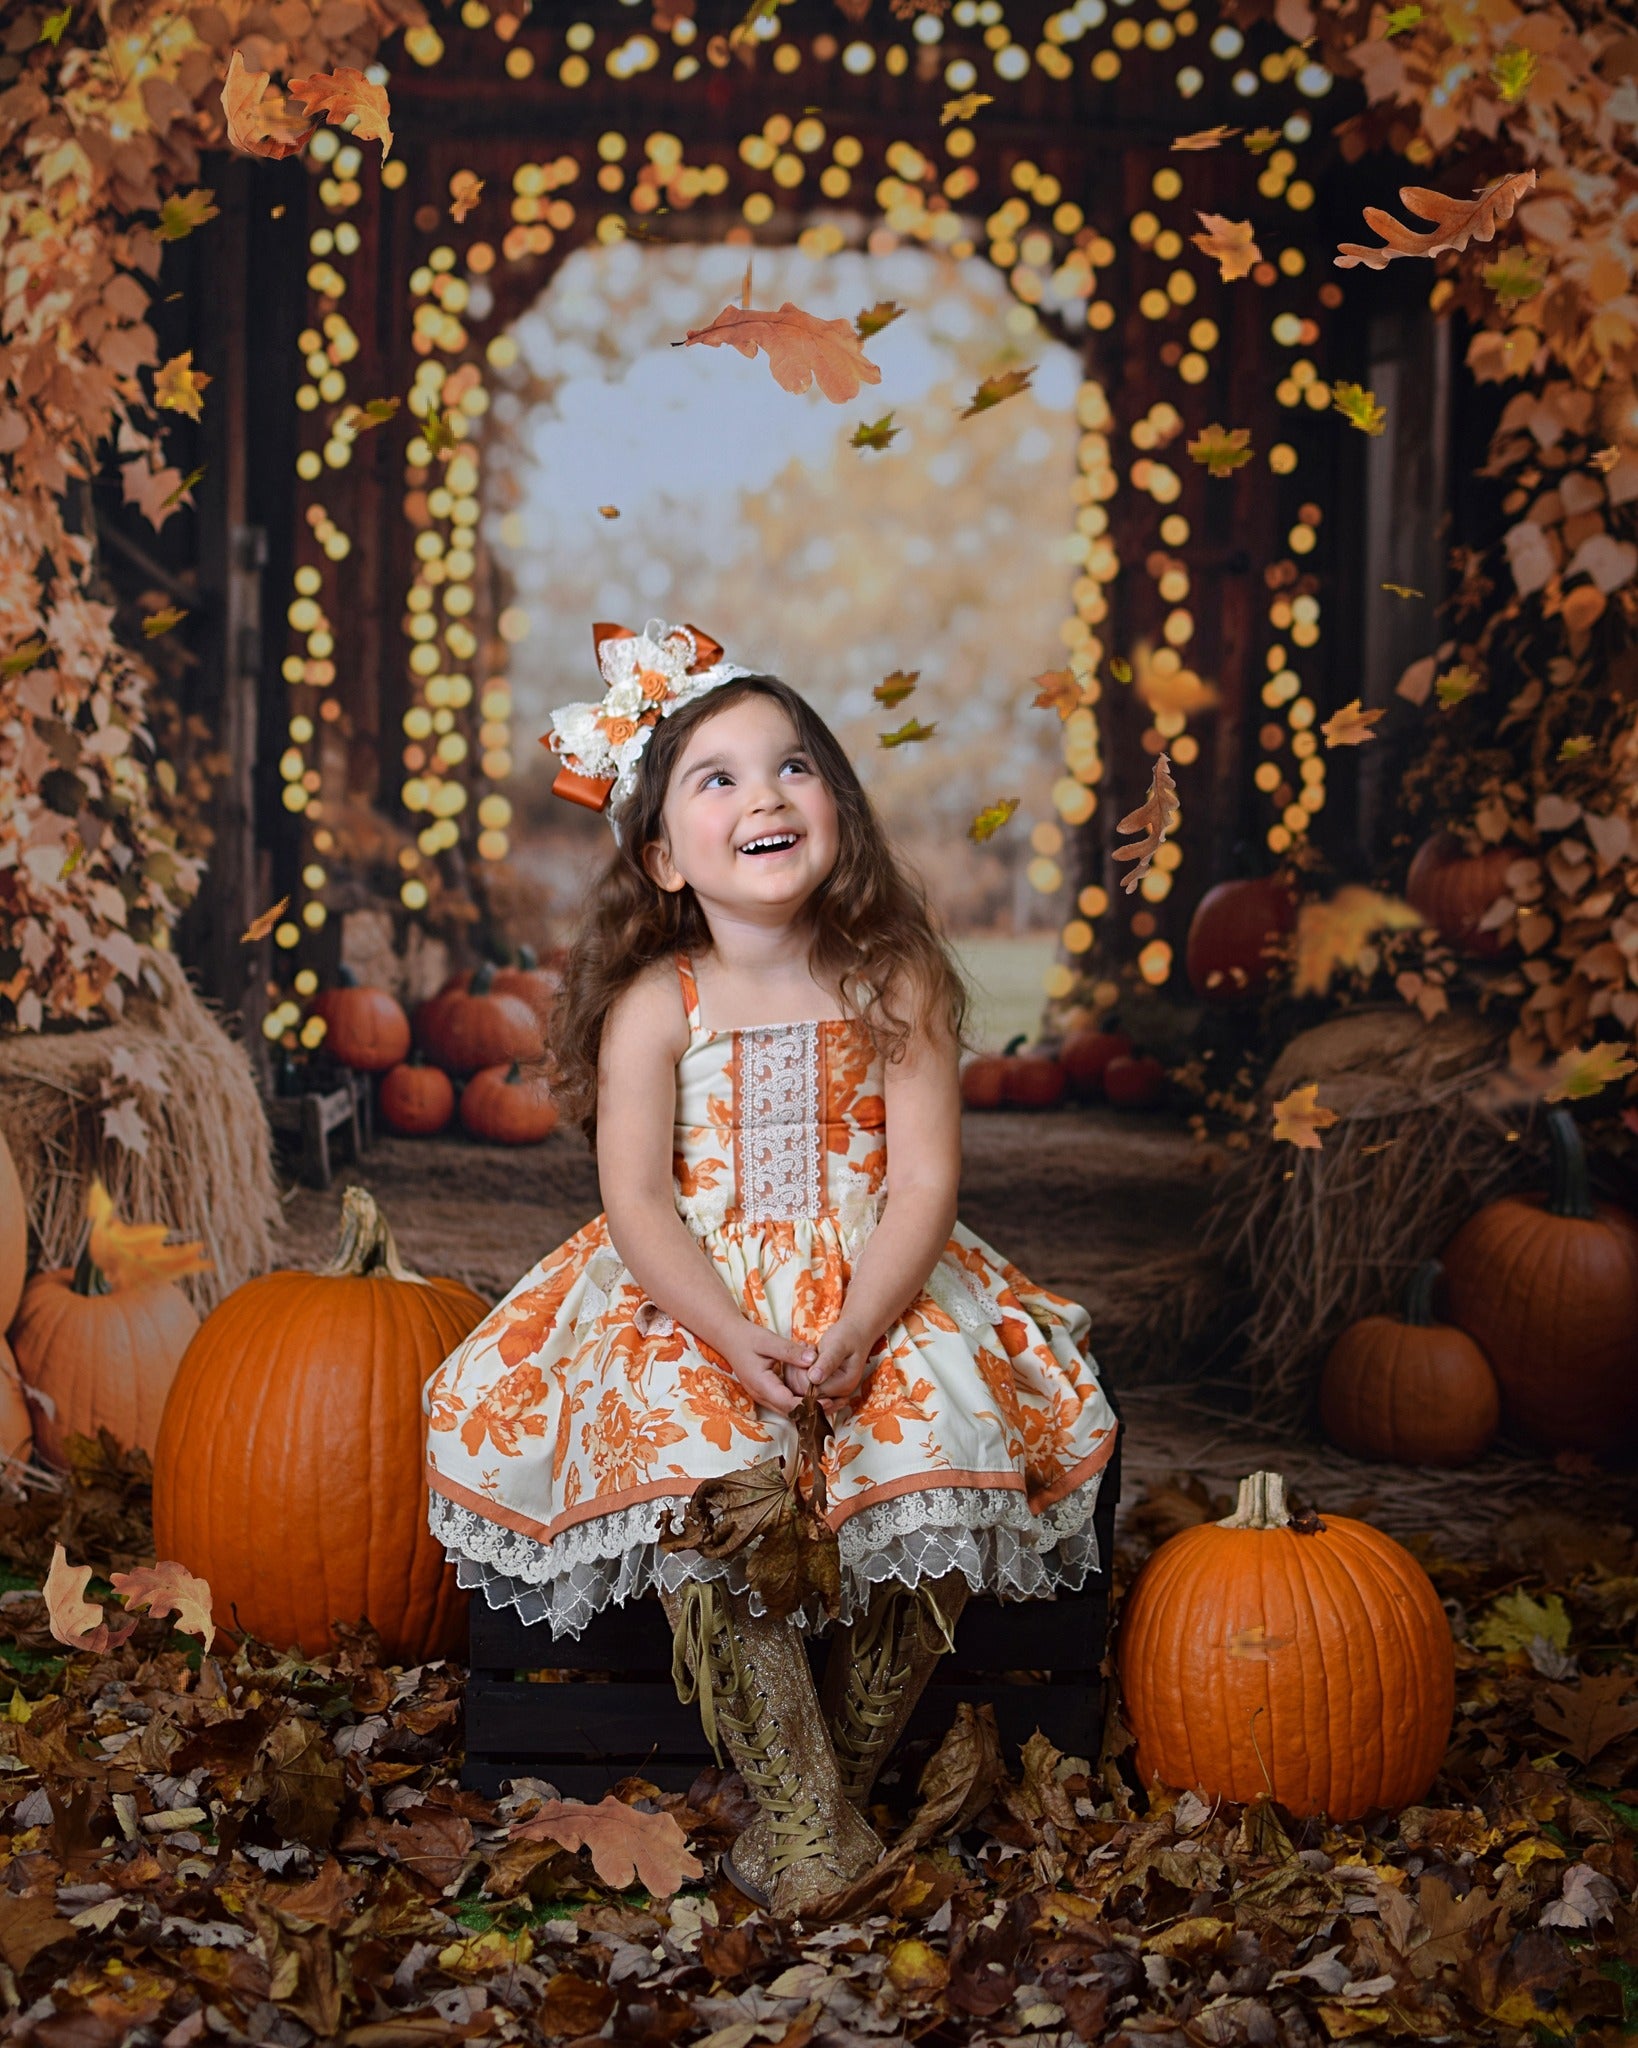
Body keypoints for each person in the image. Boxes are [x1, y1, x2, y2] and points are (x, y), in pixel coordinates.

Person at [423, 619, 1118, 1916]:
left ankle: (811, 1817)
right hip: (698, 1293)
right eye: (719, 777)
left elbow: (921, 1181)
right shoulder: (654, 1005)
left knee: (949, 1449)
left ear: (837, 805)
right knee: (709, 1483)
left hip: (879, 1280)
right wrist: (727, 1330)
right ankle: (812, 1818)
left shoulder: (893, 978)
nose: (765, 795)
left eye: (793, 766)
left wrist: (862, 1321)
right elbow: (634, 1197)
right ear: (660, 857)